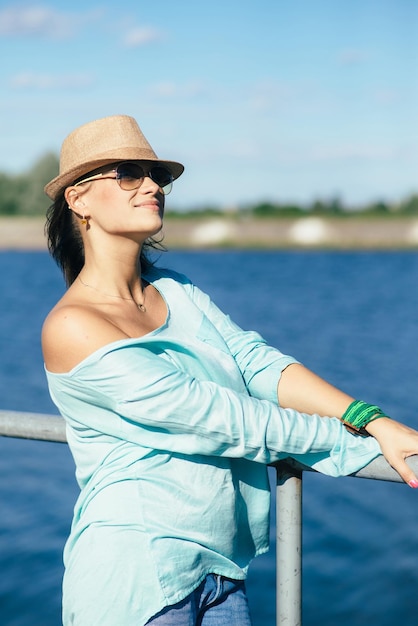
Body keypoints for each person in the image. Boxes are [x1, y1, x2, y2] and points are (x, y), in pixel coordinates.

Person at [42, 114, 418, 626]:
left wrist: (371, 418)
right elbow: (219, 418)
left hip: (222, 572)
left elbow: (255, 362)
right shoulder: (73, 326)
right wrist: (362, 448)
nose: (152, 185)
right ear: (78, 199)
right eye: (128, 172)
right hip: (139, 576)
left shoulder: (176, 289)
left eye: (158, 175)